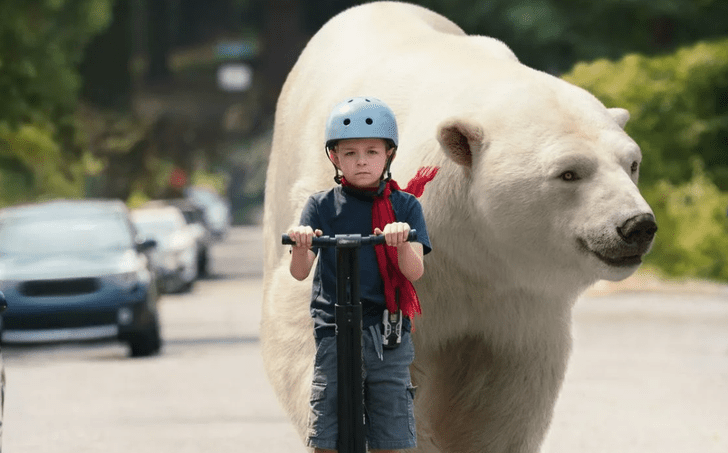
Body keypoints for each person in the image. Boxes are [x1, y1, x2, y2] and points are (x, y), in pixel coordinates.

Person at [287, 96, 437, 453]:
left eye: (372, 151)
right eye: (350, 153)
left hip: (386, 331)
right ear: (334, 157)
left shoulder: (405, 206)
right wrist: (302, 244)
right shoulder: (321, 206)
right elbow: (299, 272)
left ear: (389, 155)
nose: (362, 161)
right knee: (326, 429)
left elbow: (414, 271)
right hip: (334, 331)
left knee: (391, 430)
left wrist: (400, 241)